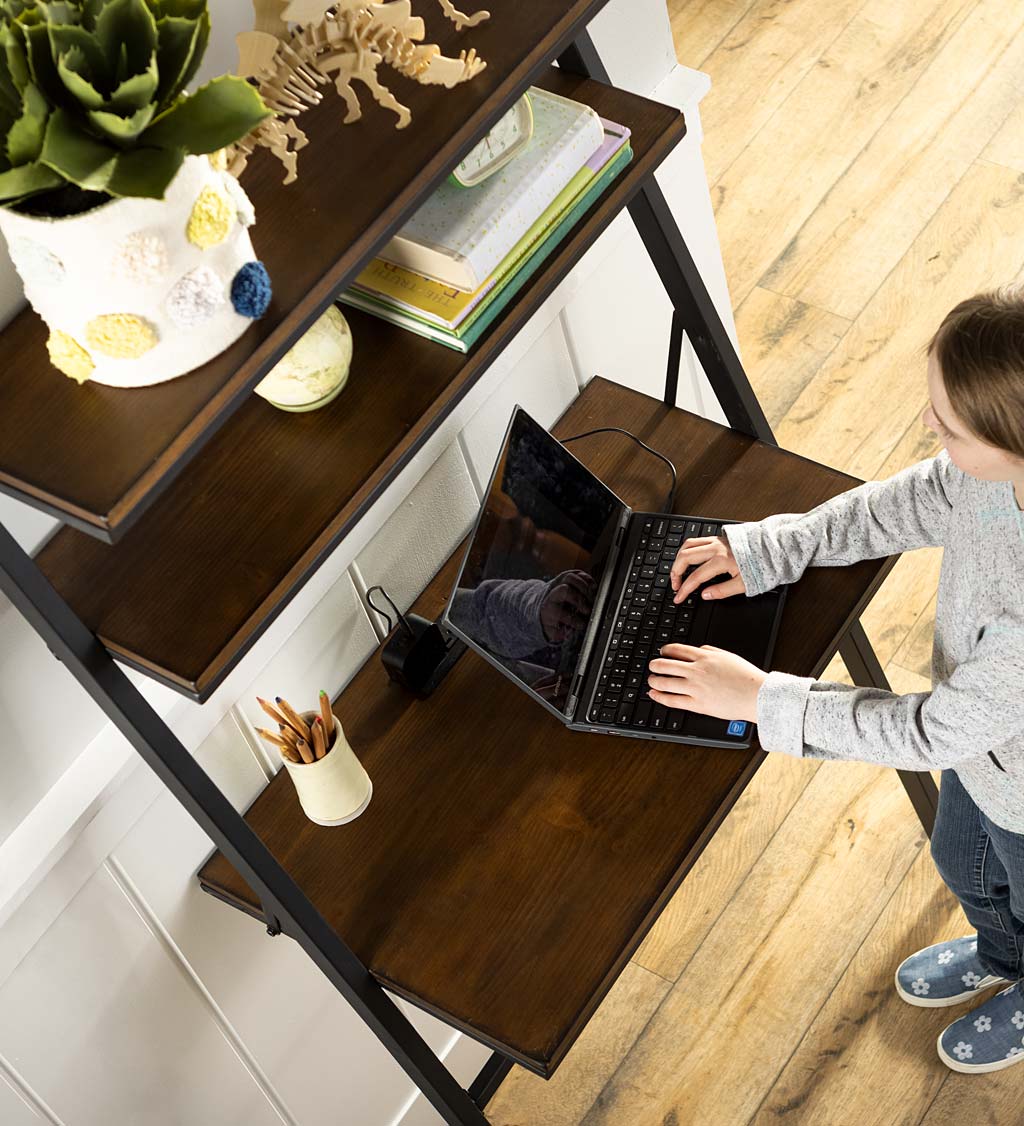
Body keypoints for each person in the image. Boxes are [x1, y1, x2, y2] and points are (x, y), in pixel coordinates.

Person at [647, 289, 1024, 1075]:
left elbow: (931, 731)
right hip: (987, 758)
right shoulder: (987, 479)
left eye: (948, 426)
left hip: (1011, 777)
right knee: (963, 865)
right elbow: (916, 500)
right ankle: (1006, 955)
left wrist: (760, 700)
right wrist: (773, 549)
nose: (930, 428)